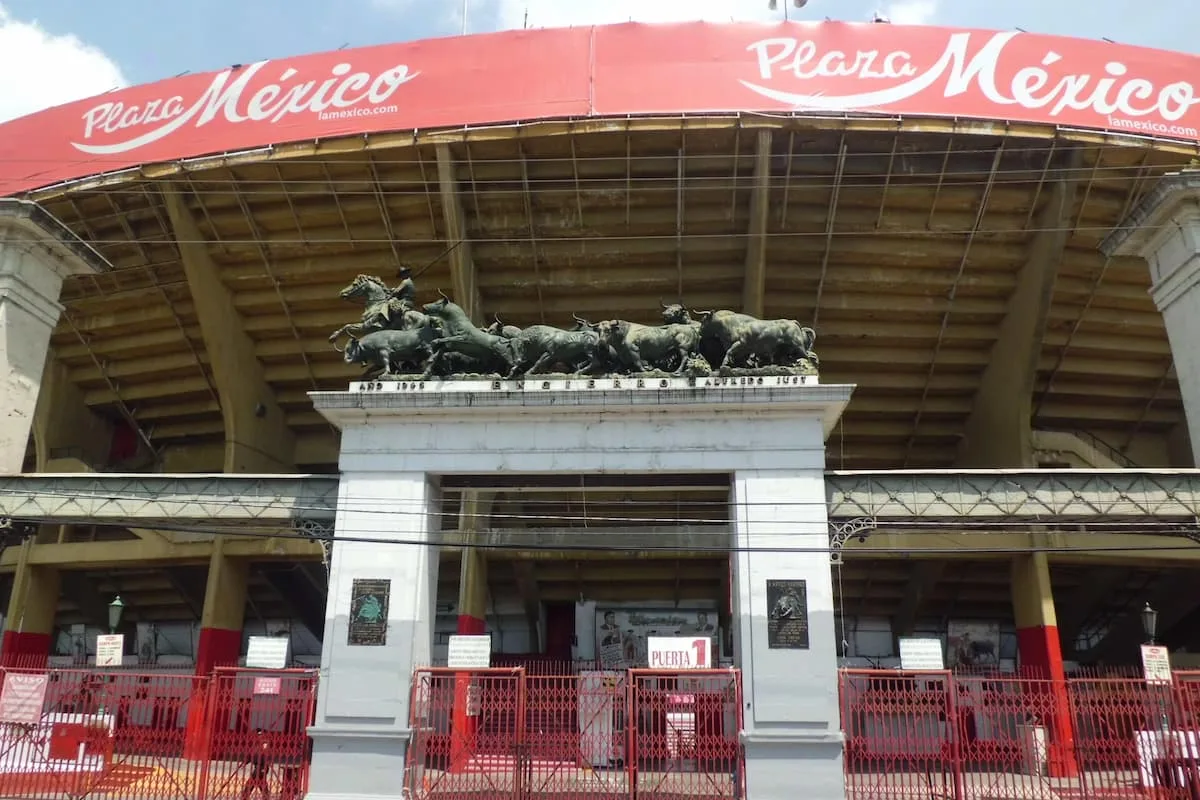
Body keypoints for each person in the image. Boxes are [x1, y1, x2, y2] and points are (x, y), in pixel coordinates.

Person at [241, 728, 272, 800]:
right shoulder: (255, 744)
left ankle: (245, 796)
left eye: (260, 735)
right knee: (260, 782)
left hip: (262, 766)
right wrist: (245, 762)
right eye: (258, 735)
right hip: (257, 766)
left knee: (253, 781)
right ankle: (265, 797)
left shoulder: (265, 744)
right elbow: (251, 754)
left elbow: (265, 755)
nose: (259, 737)